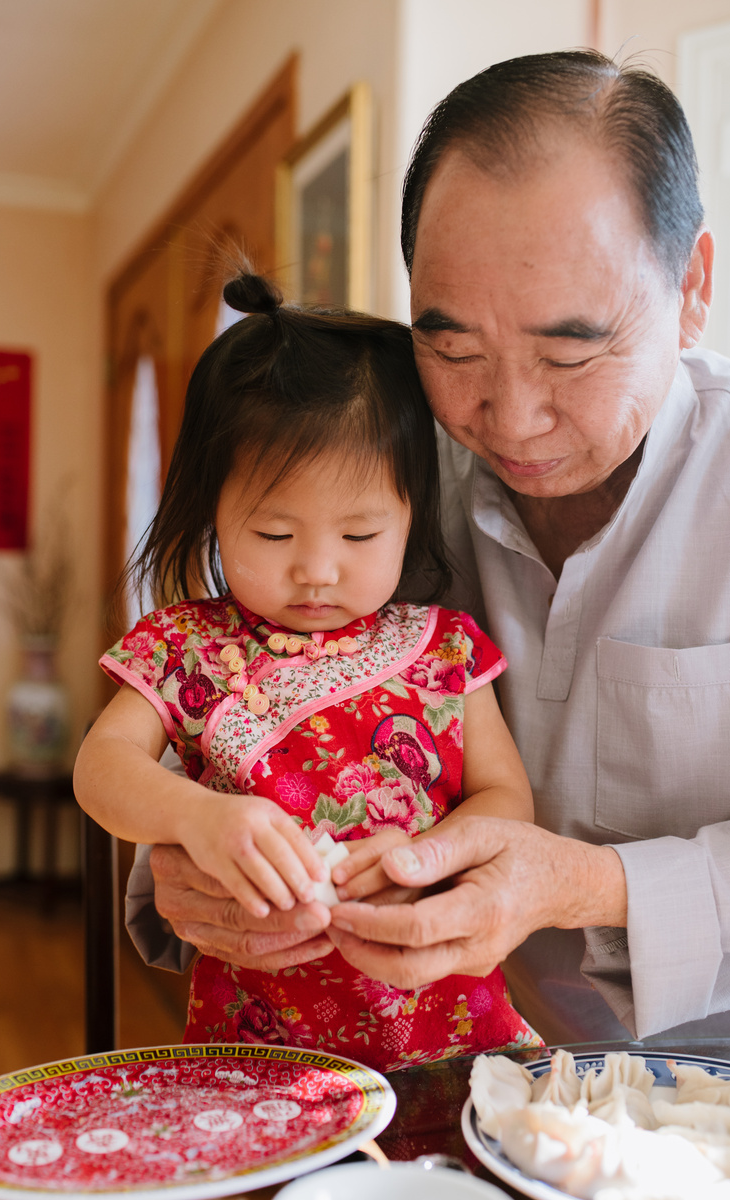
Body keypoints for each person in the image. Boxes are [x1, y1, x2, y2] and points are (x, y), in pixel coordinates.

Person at [126, 49, 730, 1045]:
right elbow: (249, 707)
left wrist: (586, 884)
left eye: (569, 352)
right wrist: (199, 856)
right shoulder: (388, 487)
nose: (512, 415)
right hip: (432, 1068)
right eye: (452, 351)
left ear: (693, 284)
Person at [75, 271, 541, 1071]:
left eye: (360, 536)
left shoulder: (446, 647)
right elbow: (100, 768)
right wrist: (195, 818)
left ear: (411, 515)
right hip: (258, 1040)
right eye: (273, 535)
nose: (317, 572)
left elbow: (507, 799)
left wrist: (425, 859)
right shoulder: (187, 646)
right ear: (212, 514)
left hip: (447, 1035)